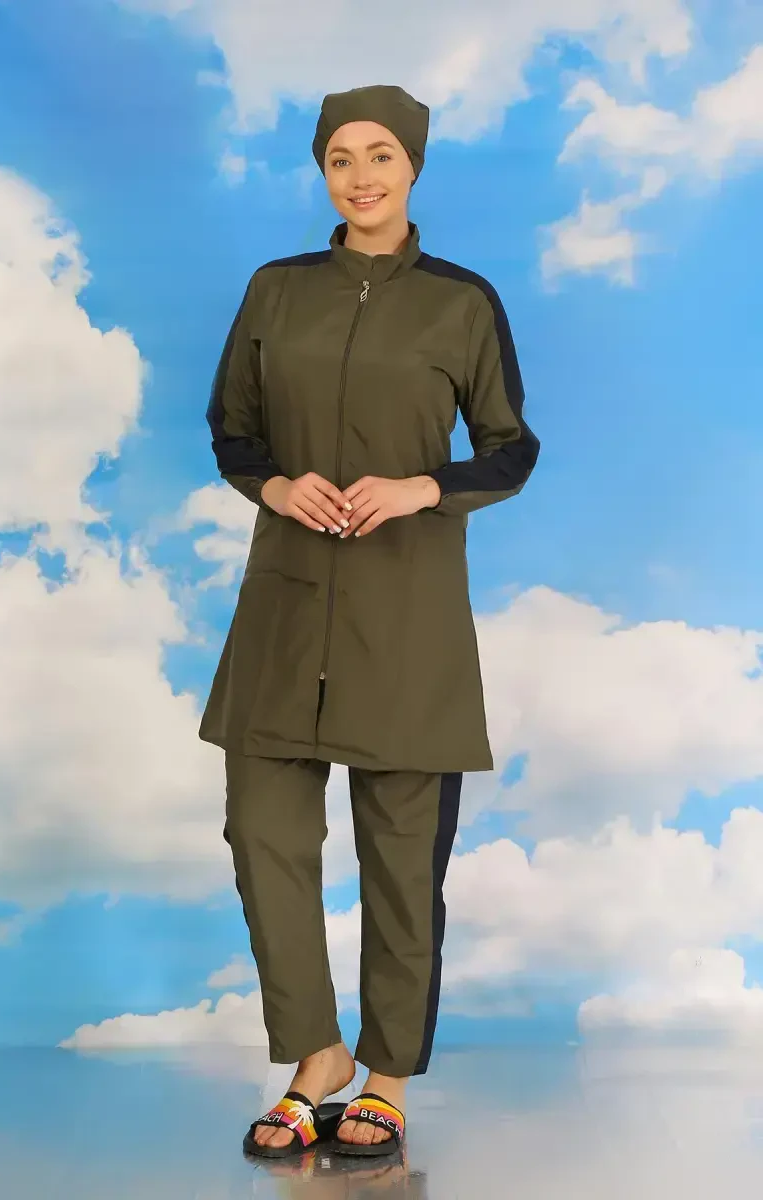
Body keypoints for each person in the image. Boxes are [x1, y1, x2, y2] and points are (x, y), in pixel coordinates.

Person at [200, 84, 540, 1159]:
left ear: (414, 165)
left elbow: (510, 448)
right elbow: (231, 430)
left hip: (407, 615)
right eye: (340, 157)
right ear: (322, 171)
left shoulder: (462, 302)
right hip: (285, 608)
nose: (360, 175)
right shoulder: (276, 291)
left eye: (381, 154)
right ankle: (317, 1057)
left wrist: (421, 488)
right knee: (263, 834)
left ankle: (385, 1075)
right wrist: (273, 485)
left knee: (401, 857)